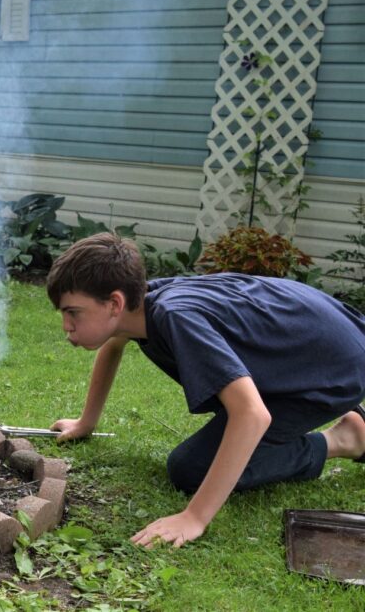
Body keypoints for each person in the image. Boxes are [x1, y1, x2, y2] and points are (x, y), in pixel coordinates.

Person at [45, 233, 365, 548]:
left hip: (332, 372)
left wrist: (194, 517)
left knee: (191, 468)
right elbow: (113, 345)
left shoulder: (175, 316)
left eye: (73, 312)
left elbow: (251, 414)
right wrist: (86, 422)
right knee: (228, 420)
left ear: (114, 303)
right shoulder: (141, 306)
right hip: (304, 353)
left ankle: (344, 439)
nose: (66, 326)